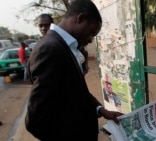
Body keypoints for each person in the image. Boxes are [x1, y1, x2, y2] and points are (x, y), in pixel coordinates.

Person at [25, 0, 123, 141]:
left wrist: (101, 110)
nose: (90, 40)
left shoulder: (65, 47)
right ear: (80, 19)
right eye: (91, 33)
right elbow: (35, 121)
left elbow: (75, 90)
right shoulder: (50, 49)